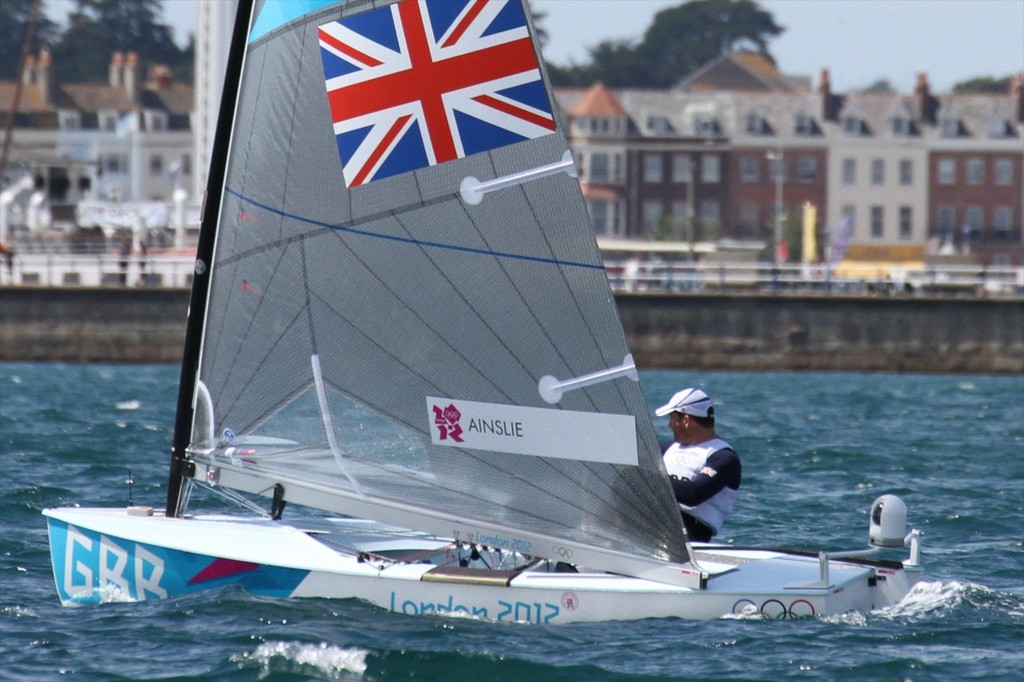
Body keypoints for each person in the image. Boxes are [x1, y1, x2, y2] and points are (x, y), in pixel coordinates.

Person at [655, 388, 741, 542]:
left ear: (686, 420)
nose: (669, 425)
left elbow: (692, 494)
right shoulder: (667, 449)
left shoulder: (724, 458)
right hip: (650, 522)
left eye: (672, 418)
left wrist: (646, 479)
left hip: (689, 534)